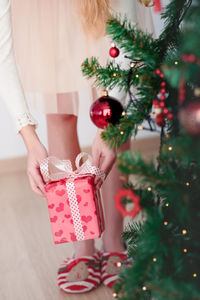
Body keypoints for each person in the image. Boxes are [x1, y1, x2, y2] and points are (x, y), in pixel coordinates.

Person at [1, 0, 155, 293]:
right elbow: (2, 53)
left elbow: (124, 39)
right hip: (42, 13)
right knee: (58, 113)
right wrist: (30, 139)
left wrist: (110, 129)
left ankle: (114, 242)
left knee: (112, 112)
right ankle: (82, 246)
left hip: (99, 6)